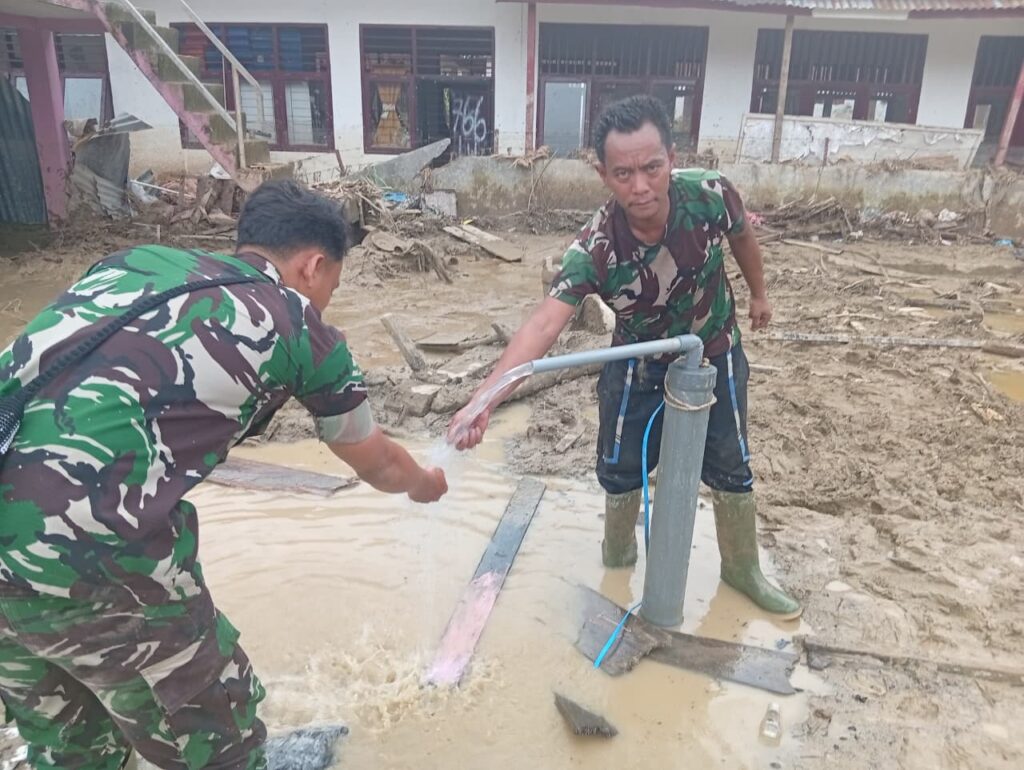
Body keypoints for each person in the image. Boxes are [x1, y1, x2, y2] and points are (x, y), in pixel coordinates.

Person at [0, 179, 447, 769]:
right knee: (216, 746)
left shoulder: (131, 263)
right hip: (89, 556)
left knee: (71, 747)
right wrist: (425, 483)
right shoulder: (296, 324)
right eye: (332, 288)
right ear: (314, 265)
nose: (326, 303)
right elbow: (379, 461)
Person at [449, 95, 800, 620]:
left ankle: (742, 569)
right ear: (603, 174)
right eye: (624, 173)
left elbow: (743, 236)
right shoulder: (595, 247)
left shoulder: (711, 194)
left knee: (731, 463)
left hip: (714, 349)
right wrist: (485, 398)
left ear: (672, 158)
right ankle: (617, 559)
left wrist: (759, 294)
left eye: (652, 168)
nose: (640, 187)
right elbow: (543, 324)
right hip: (639, 360)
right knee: (619, 467)